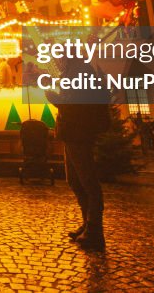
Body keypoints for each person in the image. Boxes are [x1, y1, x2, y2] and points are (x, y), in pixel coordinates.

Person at [45, 57, 110, 251]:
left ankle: (95, 230)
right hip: (71, 132)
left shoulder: (80, 72)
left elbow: (76, 104)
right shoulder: (73, 72)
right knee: (74, 180)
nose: (56, 62)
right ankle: (87, 223)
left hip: (78, 133)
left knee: (87, 181)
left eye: (58, 59)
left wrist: (55, 99)